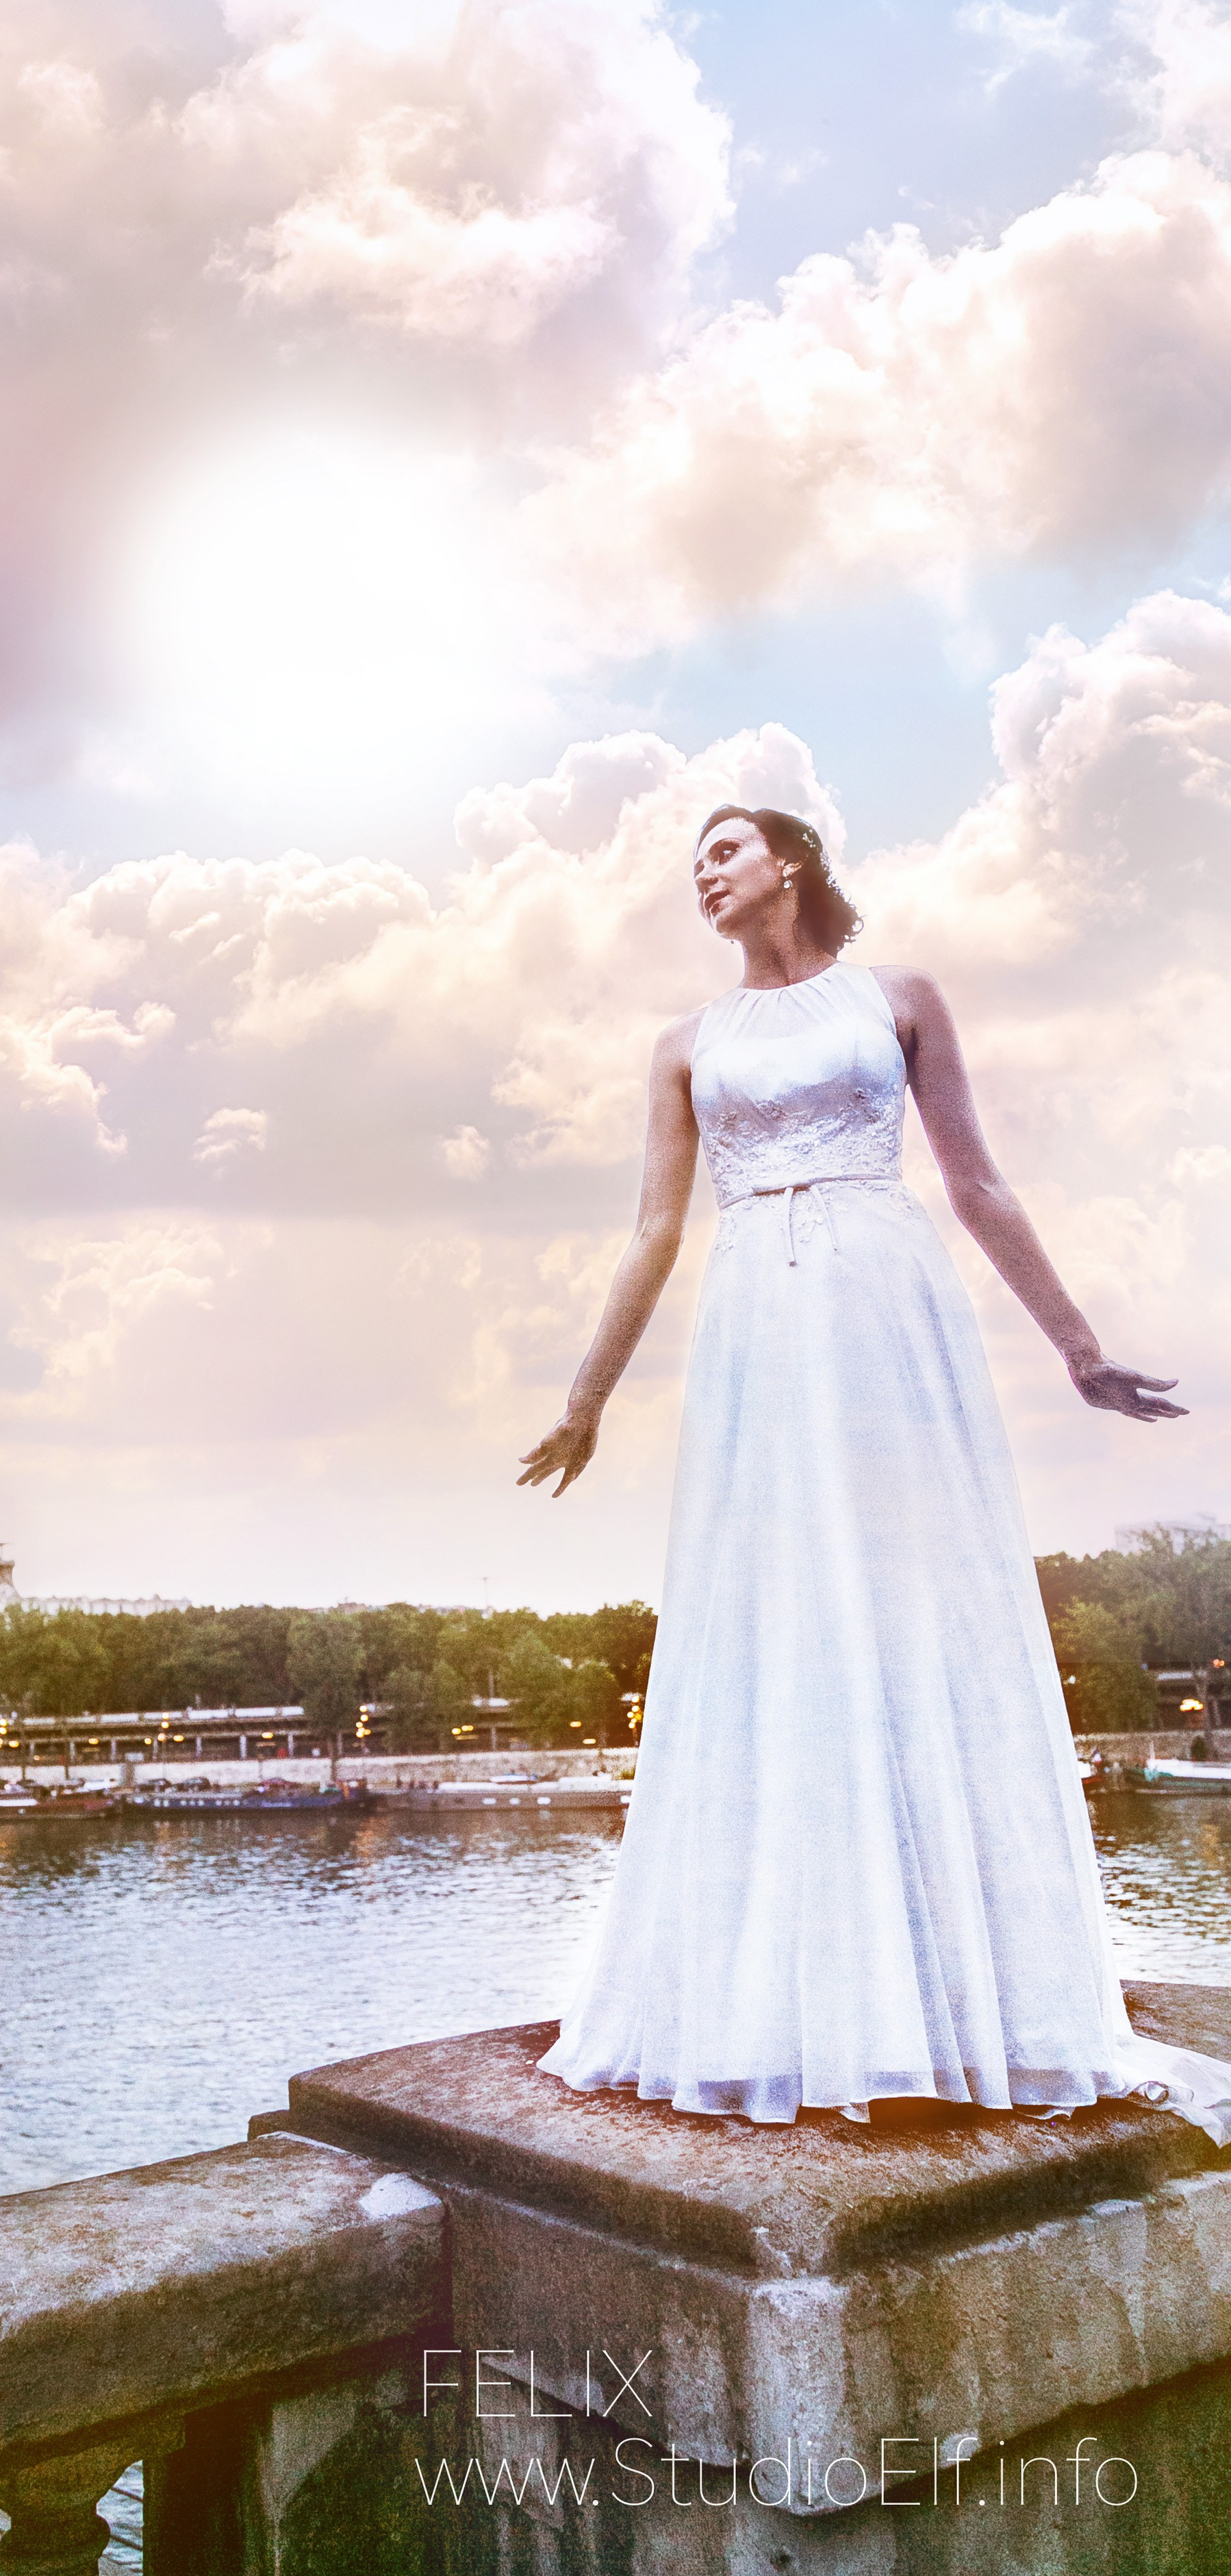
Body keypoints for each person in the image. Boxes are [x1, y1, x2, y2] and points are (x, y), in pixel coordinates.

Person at [520, 804, 1231, 2138]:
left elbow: (978, 1185)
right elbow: (650, 1230)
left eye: (721, 851)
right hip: (754, 1335)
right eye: (692, 865)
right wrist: (583, 1400)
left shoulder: (897, 999)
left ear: (784, 861)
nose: (702, 874)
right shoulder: (683, 1046)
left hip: (885, 1314)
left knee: (911, 1606)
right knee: (771, 1618)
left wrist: (1076, 1350)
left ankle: (956, 1995)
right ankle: (783, 2001)